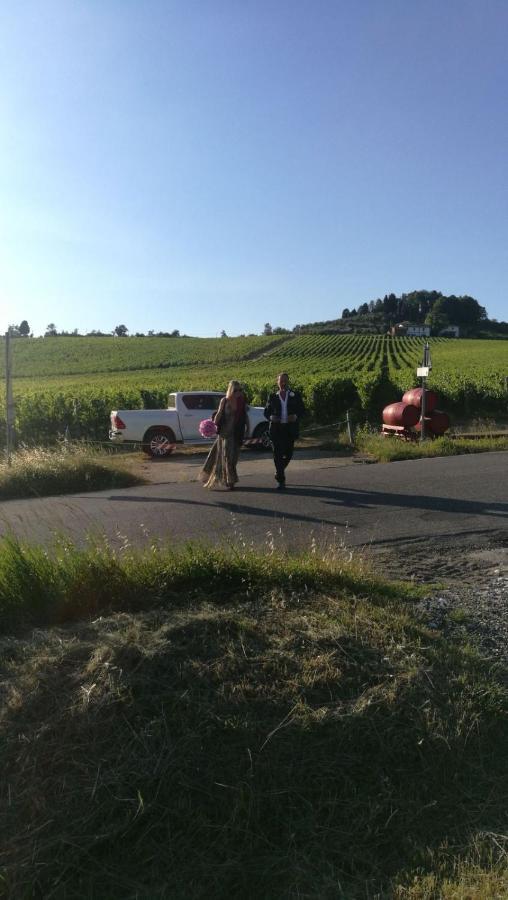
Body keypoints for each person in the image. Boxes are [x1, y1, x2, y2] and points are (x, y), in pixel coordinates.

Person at [200, 381, 247, 490]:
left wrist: (248, 427)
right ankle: (230, 481)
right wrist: (212, 425)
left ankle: (228, 478)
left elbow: (245, 415)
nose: (238, 392)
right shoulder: (224, 401)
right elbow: (219, 413)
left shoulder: (241, 401)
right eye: (236, 390)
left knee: (234, 458)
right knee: (227, 457)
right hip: (225, 433)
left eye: (240, 390)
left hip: (237, 433)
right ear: (230, 390)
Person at [264, 373, 306, 489]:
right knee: (277, 455)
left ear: (288, 382)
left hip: (290, 430)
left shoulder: (295, 395)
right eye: (281, 381)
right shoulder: (272, 396)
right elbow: (266, 413)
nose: (283, 383)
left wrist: (296, 416)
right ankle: (281, 480)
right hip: (276, 430)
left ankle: (279, 471)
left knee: (288, 454)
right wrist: (272, 418)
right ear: (277, 382)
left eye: (285, 381)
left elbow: (302, 410)